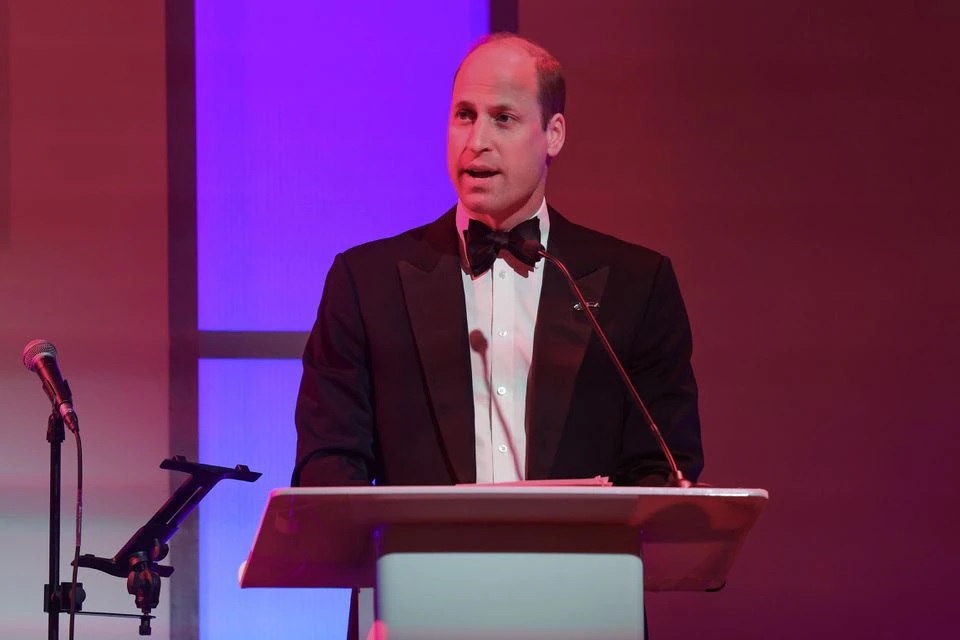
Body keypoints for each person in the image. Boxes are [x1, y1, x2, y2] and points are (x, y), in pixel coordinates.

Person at [292, 33, 702, 488]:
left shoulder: (638, 285)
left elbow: (664, 470)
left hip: (581, 559)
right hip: (422, 559)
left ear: (554, 134)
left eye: (503, 118)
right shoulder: (366, 284)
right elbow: (328, 466)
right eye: (464, 116)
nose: (476, 141)